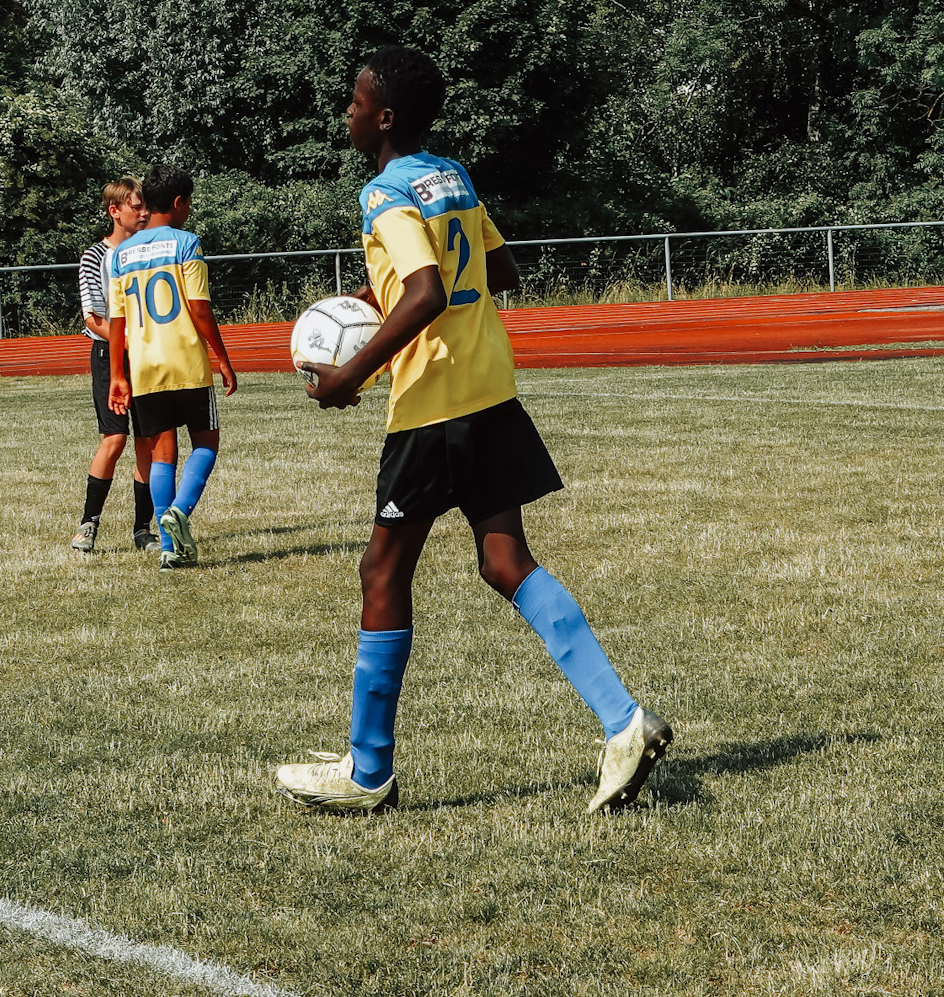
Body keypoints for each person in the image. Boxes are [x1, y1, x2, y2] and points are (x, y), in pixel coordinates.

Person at [275, 45, 670, 815]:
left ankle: (369, 772)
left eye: (356, 101)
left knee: (382, 573)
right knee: (504, 560)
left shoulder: (384, 192)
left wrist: (351, 377)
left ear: (383, 116)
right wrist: (377, 292)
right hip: (489, 390)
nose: (347, 111)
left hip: (433, 408)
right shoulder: (449, 176)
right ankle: (623, 721)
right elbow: (499, 272)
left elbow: (424, 292)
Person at [107, 165, 238, 569]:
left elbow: (117, 322)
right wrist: (223, 358)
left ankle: (169, 549)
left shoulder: (120, 255)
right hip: (186, 363)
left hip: (145, 368)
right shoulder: (186, 242)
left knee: (163, 454)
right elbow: (199, 307)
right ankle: (179, 512)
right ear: (179, 203)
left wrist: (117, 375)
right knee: (206, 443)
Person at [72, 178, 155, 554]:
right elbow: (93, 318)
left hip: (149, 358)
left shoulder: (151, 252)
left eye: (145, 206)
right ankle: (88, 525)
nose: (143, 212)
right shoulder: (95, 256)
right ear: (115, 211)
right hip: (111, 357)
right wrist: (129, 344)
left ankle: (143, 529)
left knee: (149, 443)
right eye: (135, 206)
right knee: (115, 438)